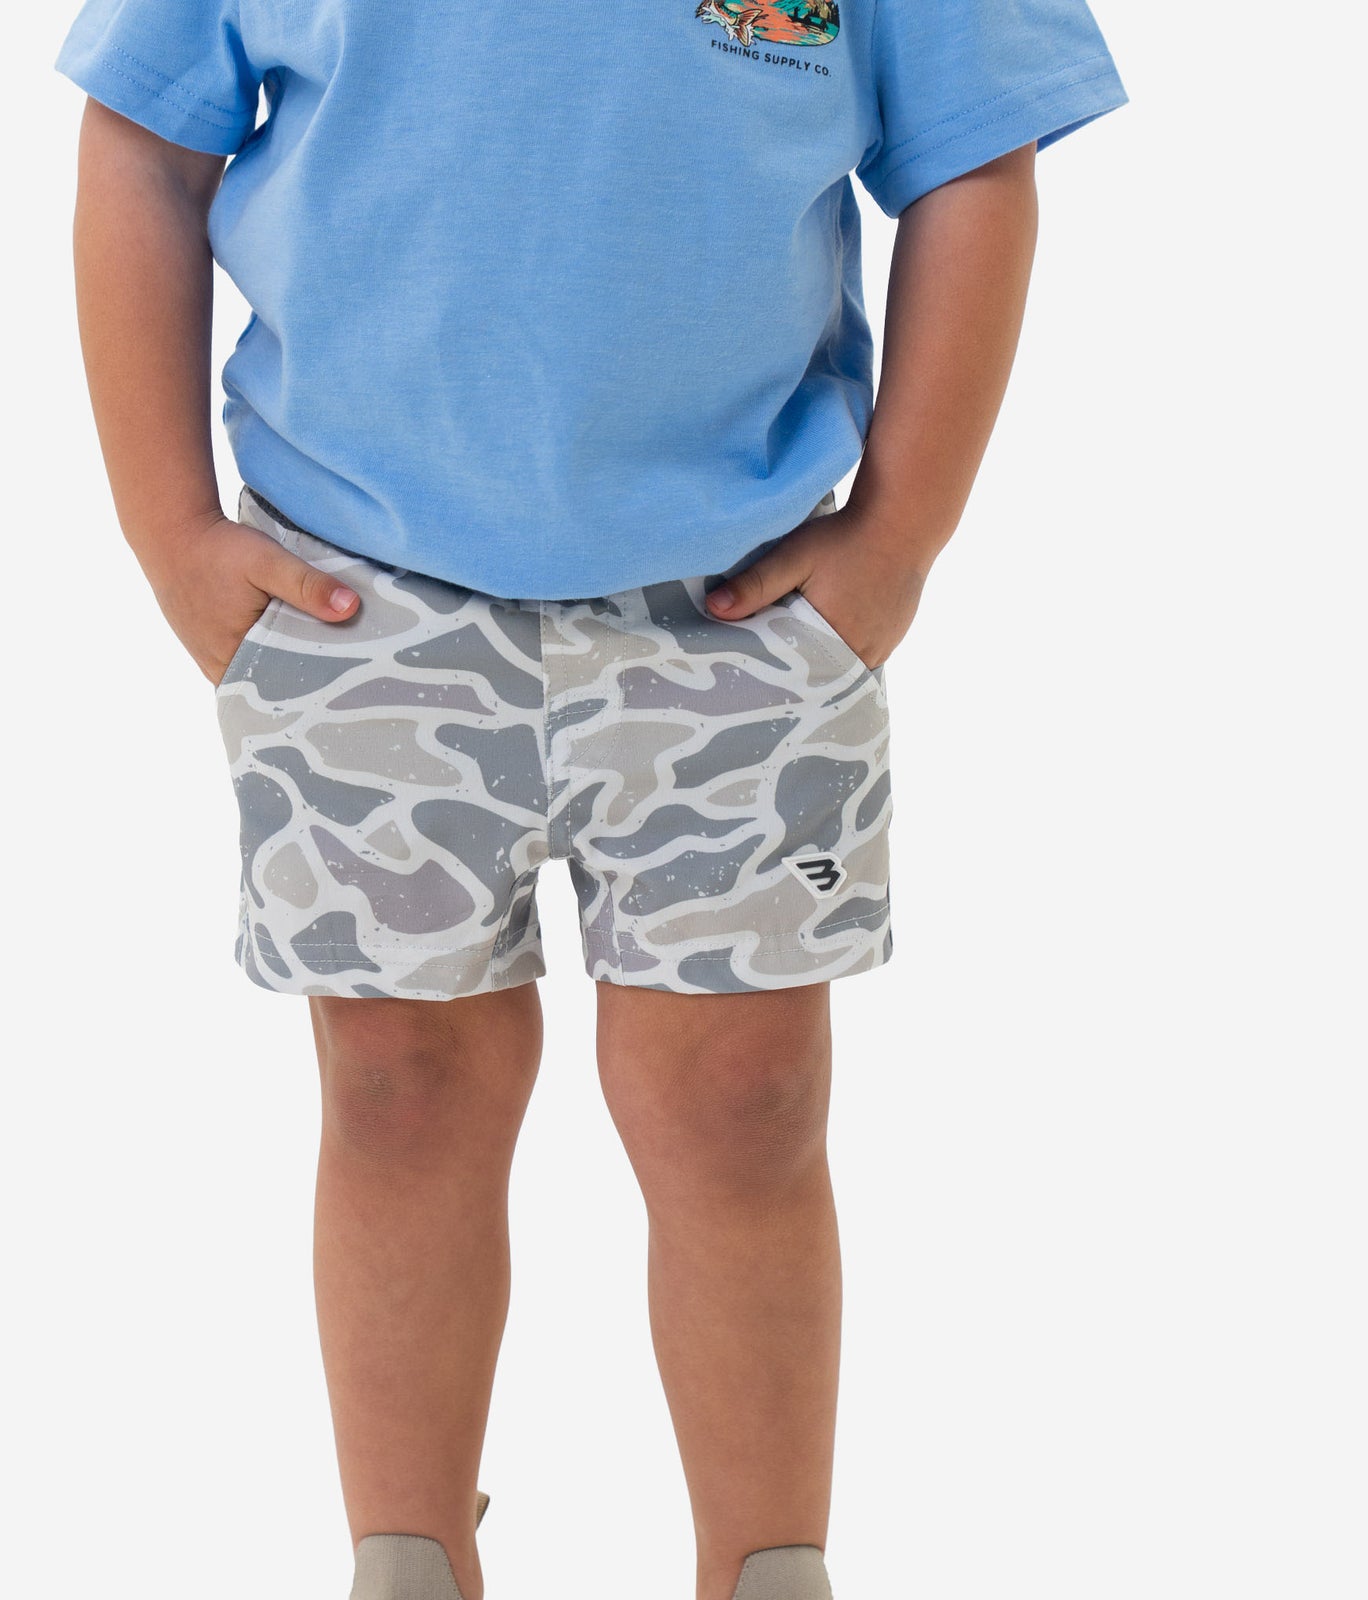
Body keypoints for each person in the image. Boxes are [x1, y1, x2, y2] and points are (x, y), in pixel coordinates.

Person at [54, 3, 1126, 1596]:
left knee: (743, 1102)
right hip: (361, 590)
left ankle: (767, 1567)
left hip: (737, 603)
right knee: (396, 1084)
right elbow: (146, 143)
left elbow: (978, 157)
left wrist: (901, 535)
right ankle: (409, 1556)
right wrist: (169, 532)